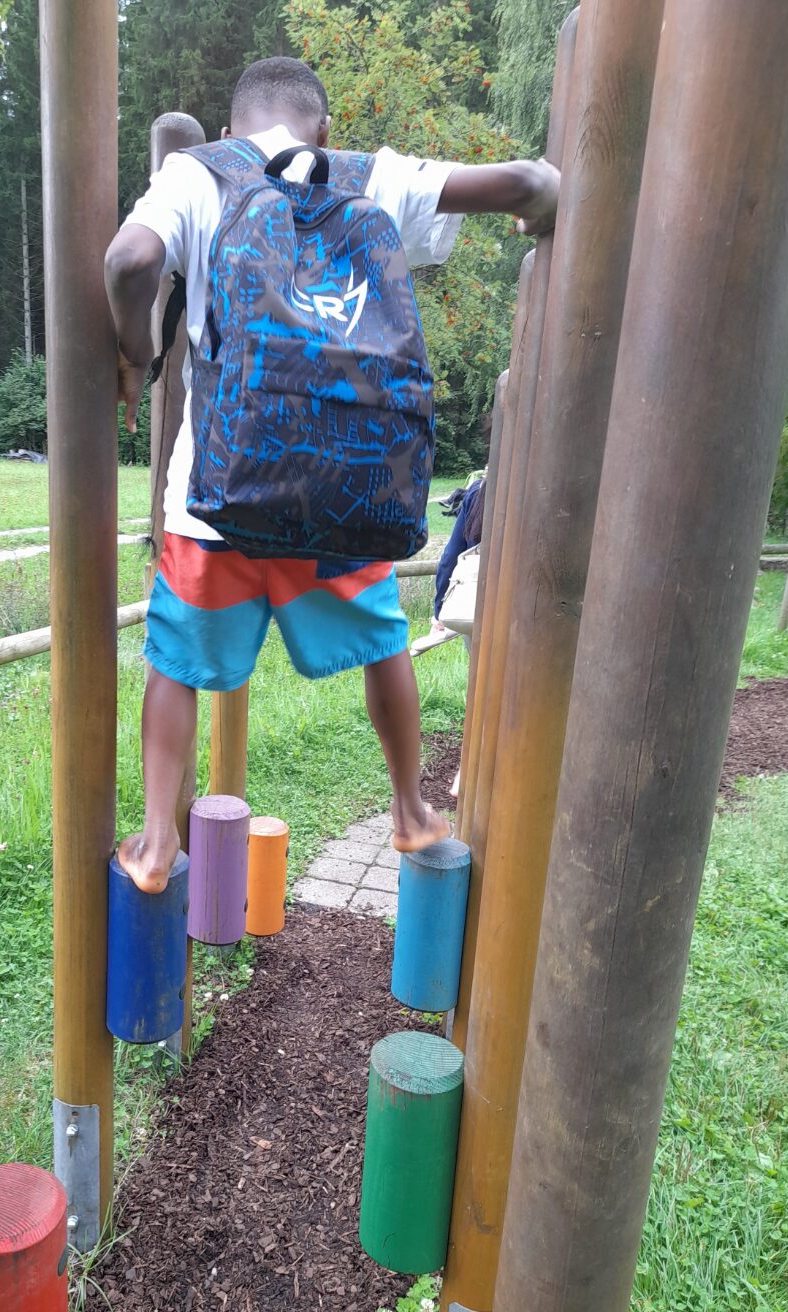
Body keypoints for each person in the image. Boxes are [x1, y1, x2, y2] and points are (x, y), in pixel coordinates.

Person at [104, 57, 558, 892]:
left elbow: (131, 260)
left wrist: (137, 355)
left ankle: (158, 842)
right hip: (345, 501)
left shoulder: (197, 174)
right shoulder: (367, 176)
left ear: (231, 127)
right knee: (385, 645)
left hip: (216, 498)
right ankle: (411, 811)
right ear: (323, 128)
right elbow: (527, 181)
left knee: (175, 662)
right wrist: (542, 208)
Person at [411, 470, 487, 656]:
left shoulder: (479, 490)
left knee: (480, 666)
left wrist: (440, 613)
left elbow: (451, 556)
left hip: (477, 597)